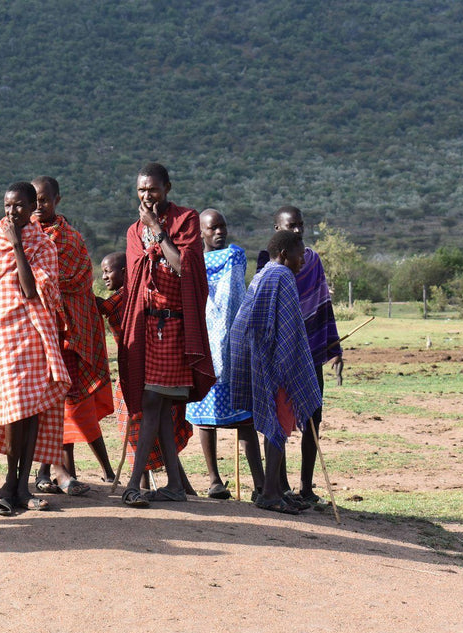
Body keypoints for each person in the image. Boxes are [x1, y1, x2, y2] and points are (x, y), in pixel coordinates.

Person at [0, 181, 70, 516]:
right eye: (8, 205)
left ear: (32, 207)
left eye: (20, 206)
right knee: (12, 410)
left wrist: (17, 246)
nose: (12, 212)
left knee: (30, 409)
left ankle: (19, 485)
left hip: (31, 335)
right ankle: (12, 483)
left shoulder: (42, 245)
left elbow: (30, 290)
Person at [116, 163, 214, 508]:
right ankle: (172, 484)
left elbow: (182, 267)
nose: (146, 196)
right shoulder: (132, 232)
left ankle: (133, 485)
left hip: (175, 327)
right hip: (147, 327)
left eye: (153, 189)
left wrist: (157, 230)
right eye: (141, 190)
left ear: (167, 188)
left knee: (156, 404)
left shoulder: (186, 219)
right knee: (155, 405)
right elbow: (136, 278)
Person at [31, 176, 114, 496]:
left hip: (67, 334)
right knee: (40, 402)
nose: (39, 206)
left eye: (44, 200)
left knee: (64, 401)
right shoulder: (21, 236)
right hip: (34, 332)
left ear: (57, 200)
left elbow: (80, 282)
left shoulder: (72, 240)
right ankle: (47, 471)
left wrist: (49, 288)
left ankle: (58, 470)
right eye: (34, 200)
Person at [230, 230, 322, 515]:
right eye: (300, 253)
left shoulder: (264, 274)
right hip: (274, 362)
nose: (303, 259)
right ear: (284, 254)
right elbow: (283, 326)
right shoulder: (281, 276)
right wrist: (288, 360)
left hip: (259, 357)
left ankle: (275, 489)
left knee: (275, 423)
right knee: (278, 424)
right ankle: (270, 492)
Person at [258, 206, 342, 506]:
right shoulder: (268, 264)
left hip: (310, 354)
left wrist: (332, 346)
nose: (297, 231)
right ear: (277, 228)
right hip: (280, 357)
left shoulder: (312, 260)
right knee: (280, 420)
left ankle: (306, 487)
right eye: (290, 226)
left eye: (300, 226)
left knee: (312, 419)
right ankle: (278, 487)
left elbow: (321, 304)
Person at [185, 209, 265, 500]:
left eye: (222, 226)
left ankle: (260, 484)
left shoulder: (235, 256)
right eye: (212, 228)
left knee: (246, 420)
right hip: (203, 348)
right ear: (200, 233)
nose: (219, 232)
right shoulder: (192, 264)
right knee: (205, 420)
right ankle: (214, 480)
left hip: (235, 348)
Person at [97, 252, 188, 493]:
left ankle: (142, 484)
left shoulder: (127, 297)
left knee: (144, 428)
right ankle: (165, 485)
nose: (104, 276)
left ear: (126, 273)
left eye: (109, 271)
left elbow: (100, 307)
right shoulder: (129, 296)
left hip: (142, 372)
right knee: (155, 427)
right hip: (142, 369)